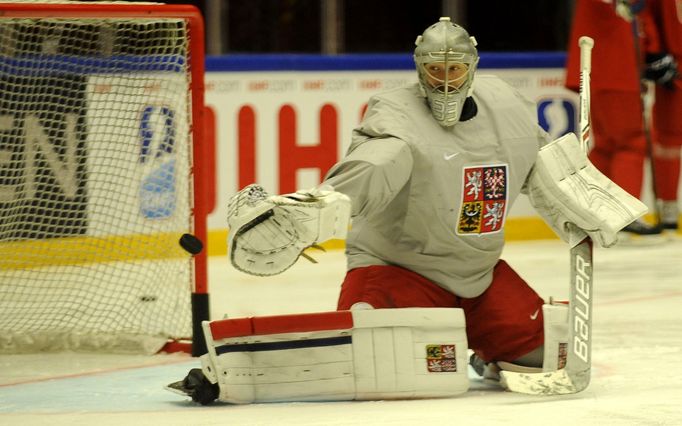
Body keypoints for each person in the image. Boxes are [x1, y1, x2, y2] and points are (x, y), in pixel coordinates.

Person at [169, 18, 646, 405]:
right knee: (362, 359)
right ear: (418, 68)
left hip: (479, 276)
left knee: (553, 357)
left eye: (453, 70)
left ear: (472, 68)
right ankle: (226, 366)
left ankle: (478, 349)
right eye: (433, 69)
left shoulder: (507, 106)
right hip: (398, 272)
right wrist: (314, 212)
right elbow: (373, 165)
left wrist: (589, 206)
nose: (443, 80)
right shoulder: (395, 114)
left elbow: (544, 165)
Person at [565, 0, 663, 235]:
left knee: (607, 146)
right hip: (617, 70)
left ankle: (594, 211)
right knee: (631, 142)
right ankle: (623, 213)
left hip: (599, 68)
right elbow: (631, 8)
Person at [644, 0, 681, 230]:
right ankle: (668, 206)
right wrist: (654, 51)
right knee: (668, 141)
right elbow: (645, 14)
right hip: (675, 70)